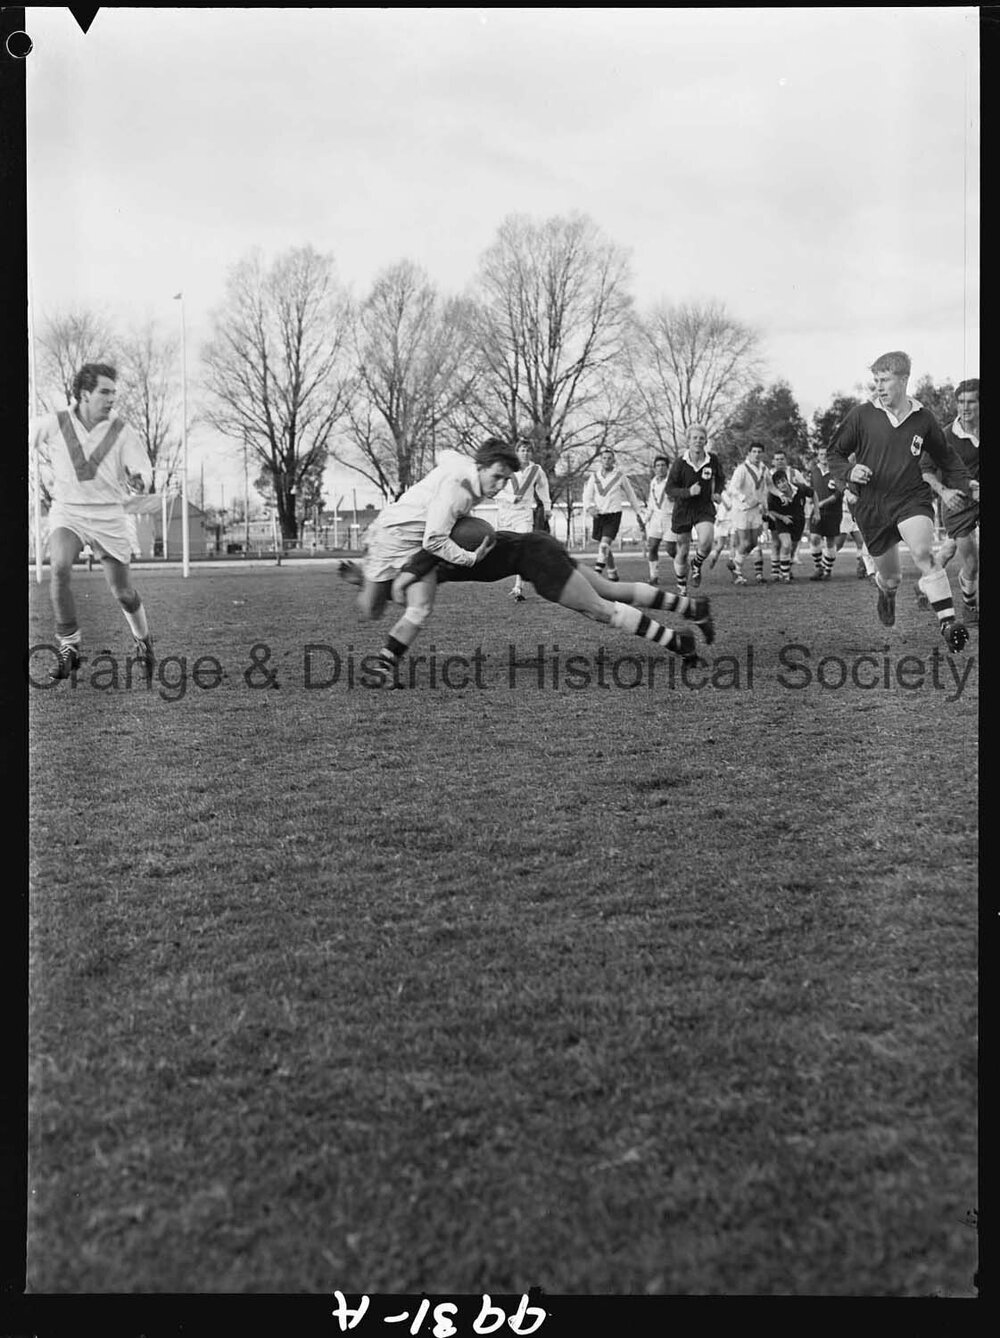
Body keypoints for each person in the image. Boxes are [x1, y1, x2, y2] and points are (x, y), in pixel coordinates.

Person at [344, 527, 716, 671]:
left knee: (601, 609)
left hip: (535, 558)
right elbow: (402, 591)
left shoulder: (425, 552)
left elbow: (401, 595)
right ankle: (691, 608)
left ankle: (679, 642)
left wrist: (367, 579)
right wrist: (362, 578)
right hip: (536, 547)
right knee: (608, 589)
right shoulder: (425, 550)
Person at [827, 350, 977, 650]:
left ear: (904, 379)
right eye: (876, 380)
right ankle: (886, 592)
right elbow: (834, 453)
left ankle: (948, 624)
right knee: (892, 577)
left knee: (924, 553)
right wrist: (849, 470)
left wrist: (967, 483)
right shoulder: (861, 415)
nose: (879, 387)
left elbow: (946, 457)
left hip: (911, 499)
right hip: (872, 507)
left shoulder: (923, 418)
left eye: (885, 380)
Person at [30, 362, 155, 682]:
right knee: (59, 566)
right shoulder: (55, 423)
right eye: (105, 391)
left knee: (123, 592)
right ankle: (69, 645)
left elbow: (142, 467)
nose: (113, 398)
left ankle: (143, 640)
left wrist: (141, 479)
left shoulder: (121, 430)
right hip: (68, 511)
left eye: (114, 391)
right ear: (85, 394)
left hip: (109, 515)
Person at [352, 439, 519, 679]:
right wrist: (470, 558)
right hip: (390, 537)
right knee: (371, 611)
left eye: (506, 479)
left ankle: (382, 666)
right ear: (481, 467)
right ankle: (365, 580)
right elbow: (435, 540)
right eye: (497, 477)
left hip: (420, 543)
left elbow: (444, 453)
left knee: (420, 608)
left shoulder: (469, 469)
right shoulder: (458, 493)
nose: (500, 485)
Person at [918, 377, 979, 623]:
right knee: (971, 563)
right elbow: (926, 471)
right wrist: (943, 492)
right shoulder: (944, 436)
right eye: (961, 402)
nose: (965, 407)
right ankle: (969, 605)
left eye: (972, 402)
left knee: (949, 548)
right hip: (957, 504)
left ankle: (925, 584)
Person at [664, 423, 725, 595]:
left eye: (701, 438)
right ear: (688, 441)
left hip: (704, 507)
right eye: (694, 438)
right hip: (683, 509)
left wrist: (717, 492)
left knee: (706, 541)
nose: (698, 441)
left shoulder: (712, 460)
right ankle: (682, 586)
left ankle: (696, 564)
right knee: (682, 551)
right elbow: (670, 489)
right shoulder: (680, 463)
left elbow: (720, 478)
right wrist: (688, 492)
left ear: (706, 441)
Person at [495, 435, 552, 602]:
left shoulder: (536, 470)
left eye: (527, 450)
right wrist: (509, 498)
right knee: (507, 549)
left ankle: (518, 587)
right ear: (516, 452)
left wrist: (547, 508)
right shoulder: (506, 468)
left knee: (522, 547)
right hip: (506, 514)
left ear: (531, 452)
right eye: (521, 450)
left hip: (524, 514)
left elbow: (544, 489)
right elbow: (494, 490)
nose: (524, 453)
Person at [581, 447, 645, 581]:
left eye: (609, 458)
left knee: (604, 545)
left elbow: (631, 495)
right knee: (604, 547)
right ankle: (612, 572)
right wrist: (589, 508)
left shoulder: (619, 476)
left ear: (613, 460)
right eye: (604, 458)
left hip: (614, 515)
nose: (607, 461)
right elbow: (587, 496)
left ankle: (596, 575)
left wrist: (639, 513)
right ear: (600, 460)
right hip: (599, 515)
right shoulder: (594, 476)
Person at [727, 441, 771, 585]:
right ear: (748, 453)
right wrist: (743, 498)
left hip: (755, 510)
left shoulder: (764, 469)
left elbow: (769, 486)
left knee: (752, 543)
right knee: (745, 542)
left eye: (759, 452)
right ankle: (737, 573)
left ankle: (734, 563)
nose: (757, 454)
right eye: (754, 451)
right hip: (742, 510)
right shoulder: (742, 469)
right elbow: (732, 488)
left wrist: (777, 496)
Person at [766, 468, 812, 581]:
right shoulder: (773, 495)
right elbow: (771, 510)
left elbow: (813, 493)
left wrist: (817, 512)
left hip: (798, 521)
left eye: (783, 481)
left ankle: (785, 569)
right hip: (782, 521)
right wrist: (782, 517)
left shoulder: (800, 488)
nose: (782, 484)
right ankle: (785, 575)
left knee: (793, 548)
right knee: (786, 544)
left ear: (787, 480)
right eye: (778, 483)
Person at [807, 446, 846, 580]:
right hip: (817, 511)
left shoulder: (837, 472)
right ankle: (818, 567)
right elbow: (811, 491)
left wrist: (822, 503)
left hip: (833, 512)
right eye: (821, 454)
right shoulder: (814, 471)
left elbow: (838, 493)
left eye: (826, 454)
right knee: (814, 538)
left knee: (830, 542)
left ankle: (827, 570)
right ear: (818, 456)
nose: (824, 456)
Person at [642, 454, 677, 585]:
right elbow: (651, 502)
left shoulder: (673, 481)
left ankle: (682, 565)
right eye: (658, 466)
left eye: (663, 465)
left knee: (670, 549)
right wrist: (646, 518)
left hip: (670, 518)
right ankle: (653, 576)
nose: (660, 468)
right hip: (656, 518)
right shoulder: (653, 482)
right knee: (652, 546)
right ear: (654, 468)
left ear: (667, 467)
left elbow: (679, 497)